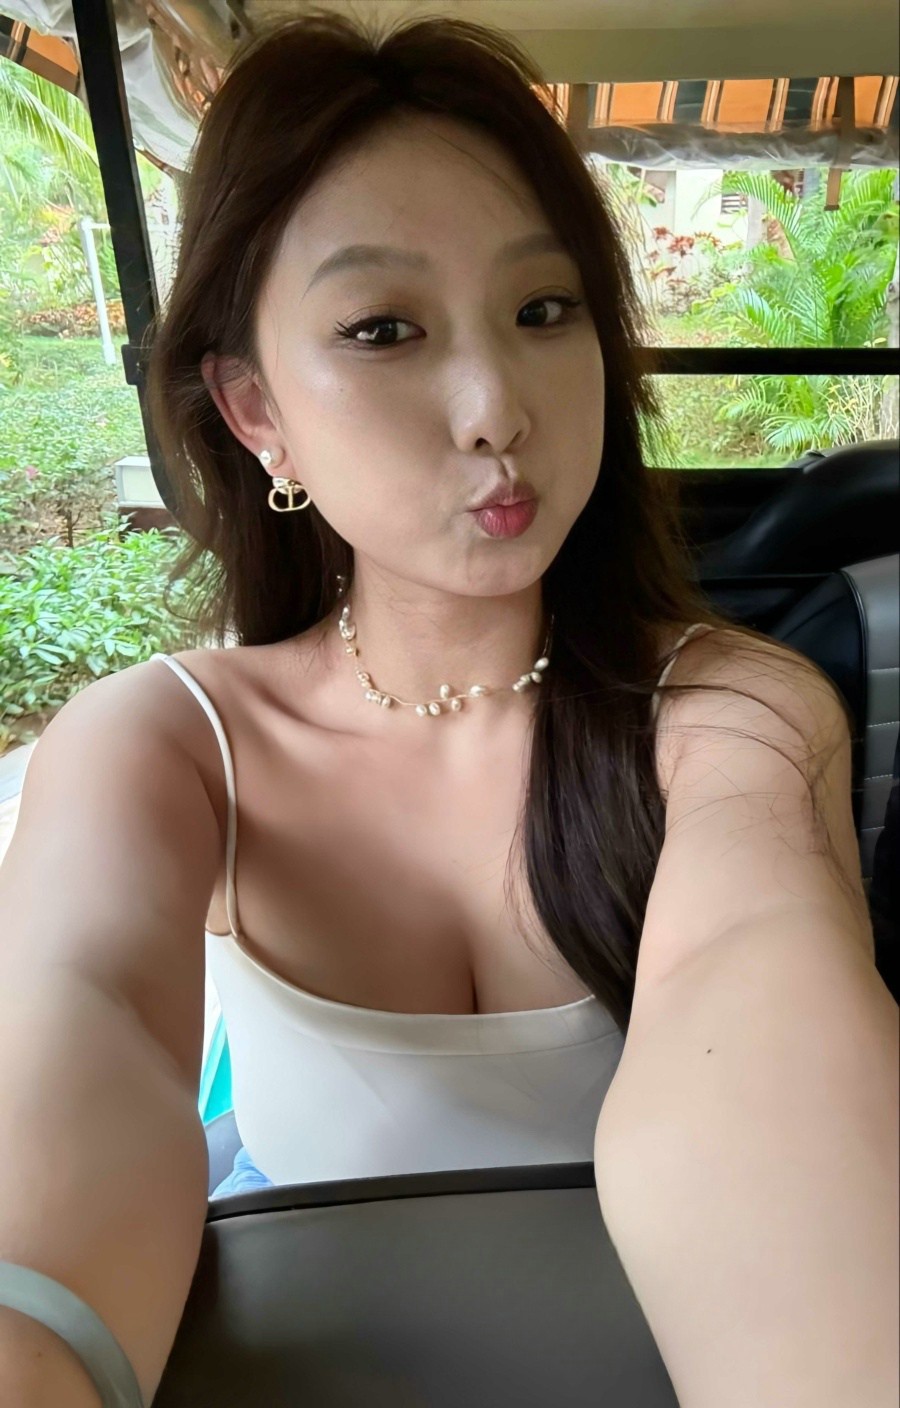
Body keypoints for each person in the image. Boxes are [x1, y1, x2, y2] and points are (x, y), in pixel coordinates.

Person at [1, 14, 892, 1408]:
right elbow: (76, 1042)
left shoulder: (730, 715)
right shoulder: (162, 745)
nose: (494, 408)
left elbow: (764, 1007)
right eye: (382, 330)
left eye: (544, 312)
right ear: (255, 409)